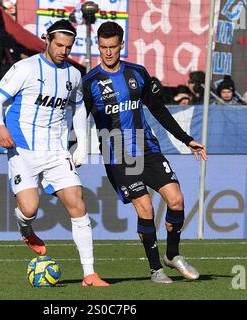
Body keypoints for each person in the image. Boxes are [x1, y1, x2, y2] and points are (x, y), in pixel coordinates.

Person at [82, 21, 208, 284]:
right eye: (103, 47)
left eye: (113, 47)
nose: (108, 53)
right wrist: (72, 149)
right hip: (119, 155)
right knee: (146, 208)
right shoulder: (90, 82)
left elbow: (159, 110)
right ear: (98, 47)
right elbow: (77, 120)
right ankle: (155, 269)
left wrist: (187, 140)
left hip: (147, 147)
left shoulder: (138, 73)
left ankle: (172, 255)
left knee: (176, 200)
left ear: (121, 45)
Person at [0, 19, 109, 287]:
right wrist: (0, 127)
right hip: (23, 149)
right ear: (47, 40)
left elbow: (78, 108)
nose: (64, 51)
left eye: (69, 46)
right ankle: (25, 228)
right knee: (29, 209)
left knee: (77, 203)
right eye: (59, 45)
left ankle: (90, 274)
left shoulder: (74, 75)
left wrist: (82, 145)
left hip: (56, 151)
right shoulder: (25, 68)